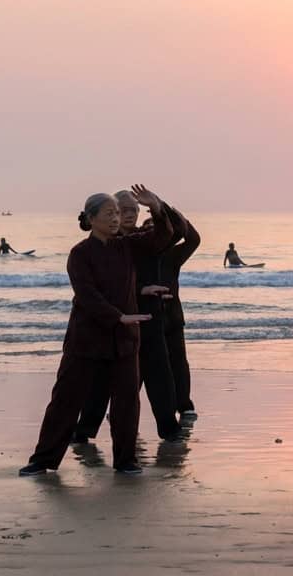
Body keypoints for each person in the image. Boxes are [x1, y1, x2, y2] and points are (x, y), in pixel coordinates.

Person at [19, 186, 172, 477]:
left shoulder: (127, 245)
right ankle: (42, 460)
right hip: (86, 339)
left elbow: (161, 238)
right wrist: (118, 317)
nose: (116, 219)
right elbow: (87, 295)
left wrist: (157, 208)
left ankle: (126, 461)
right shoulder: (80, 254)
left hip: (124, 341)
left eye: (117, 213)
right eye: (109, 214)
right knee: (65, 400)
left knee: (127, 403)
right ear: (91, 219)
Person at [73, 189, 184, 443]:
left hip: (149, 316)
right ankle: (84, 430)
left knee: (159, 374)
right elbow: (100, 288)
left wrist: (157, 205)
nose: (128, 215)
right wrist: (140, 290)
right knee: (102, 379)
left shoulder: (143, 239)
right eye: (121, 210)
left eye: (134, 210)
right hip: (116, 319)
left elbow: (176, 233)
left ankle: (169, 429)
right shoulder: (106, 243)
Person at [159, 209, 202, 419]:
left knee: (178, 363)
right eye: (147, 228)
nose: (154, 231)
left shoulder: (172, 256)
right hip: (144, 317)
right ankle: (124, 409)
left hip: (172, 318)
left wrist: (167, 209)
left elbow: (193, 239)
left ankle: (184, 405)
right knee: (138, 366)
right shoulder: (137, 253)